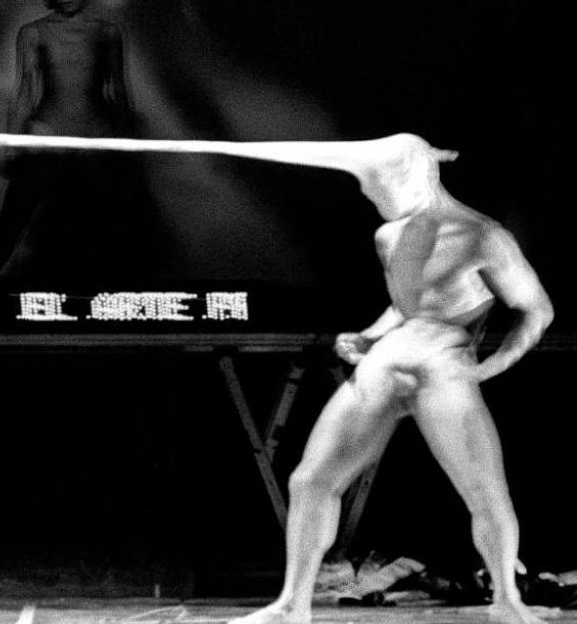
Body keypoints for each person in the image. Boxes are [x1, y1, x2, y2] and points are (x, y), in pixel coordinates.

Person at [225, 134, 555, 624]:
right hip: (386, 366)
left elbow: (536, 310)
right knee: (311, 481)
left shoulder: (482, 236)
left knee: (485, 490)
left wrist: (491, 366)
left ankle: (507, 600)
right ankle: (292, 605)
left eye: (378, 186)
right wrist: (369, 336)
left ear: (417, 176)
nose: (372, 196)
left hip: (443, 372)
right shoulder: (389, 236)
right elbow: (408, 305)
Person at [0, 0, 136, 285]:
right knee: (9, 228)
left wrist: (124, 147)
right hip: (44, 141)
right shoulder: (33, 33)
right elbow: (24, 92)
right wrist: (13, 148)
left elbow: (118, 91)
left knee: (108, 235)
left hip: (93, 144)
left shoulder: (107, 33)